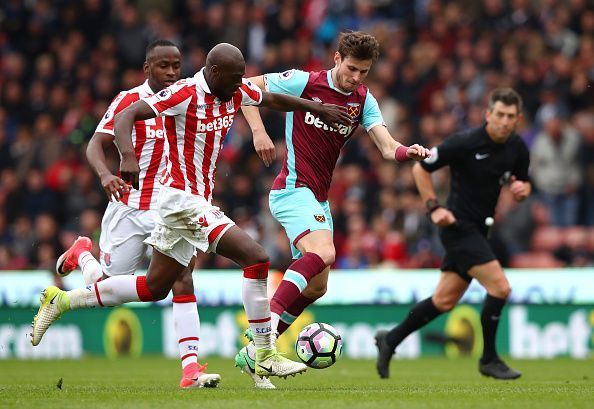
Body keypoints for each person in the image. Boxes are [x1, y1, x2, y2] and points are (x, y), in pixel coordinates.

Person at [31, 43, 351, 383]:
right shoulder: (184, 93)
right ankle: (265, 354)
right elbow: (127, 116)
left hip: (187, 204)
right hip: (181, 202)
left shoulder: (233, 89)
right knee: (256, 258)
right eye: (236, 77)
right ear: (214, 73)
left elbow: (271, 99)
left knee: (155, 288)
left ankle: (63, 301)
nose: (242, 83)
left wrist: (315, 108)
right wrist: (126, 156)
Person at [235, 31, 430, 388]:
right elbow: (244, 88)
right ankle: (263, 336)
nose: (356, 77)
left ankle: (254, 356)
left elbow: (387, 147)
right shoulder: (303, 81)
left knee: (318, 286)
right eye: (352, 68)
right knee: (323, 252)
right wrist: (259, 132)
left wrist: (408, 152)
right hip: (292, 188)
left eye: (364, 72)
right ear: (337, 58)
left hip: (317, 197)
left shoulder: (363, 100)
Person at [54, 40, 216, 388]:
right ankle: (83, 254)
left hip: (169, 208)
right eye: (163, 66)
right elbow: (95, 143)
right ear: (147, 69)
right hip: (128, 207)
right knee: (103, 290)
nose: (172, 72)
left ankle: (190, 368)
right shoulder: (128, 100)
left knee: (183, 276)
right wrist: (105, 174)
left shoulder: (185, 97)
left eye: (176, 65)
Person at [375, 88, 531, 380]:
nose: (504, 121)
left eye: (511, 117)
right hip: (458, 229)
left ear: (518, 119)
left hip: (480, 231)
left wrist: (523, 191)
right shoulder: (466, 142)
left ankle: (390, 339)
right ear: (488, 115)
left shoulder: (518, 148)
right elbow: (421, 169)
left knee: (444, 301)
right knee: (500, 288)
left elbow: (523, 183)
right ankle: (489, 358)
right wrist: (433, 207)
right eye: (499, 114)